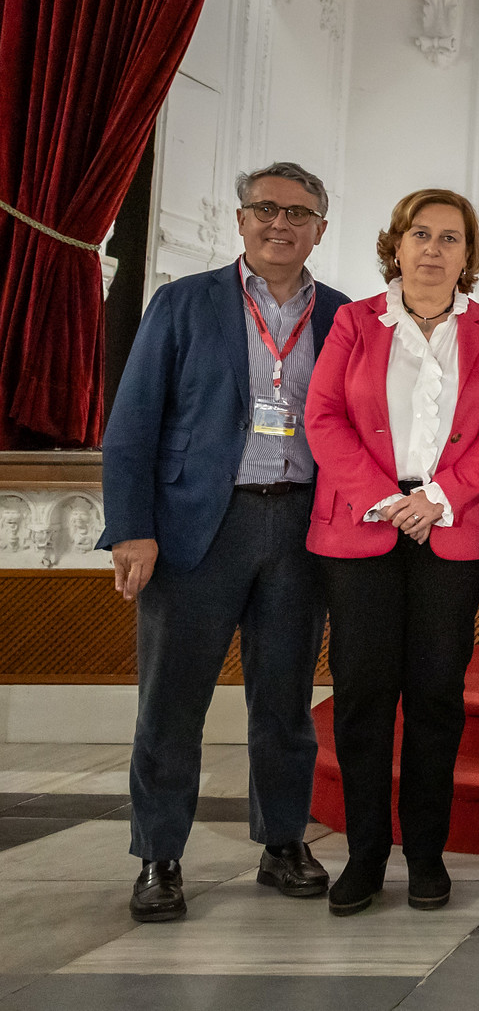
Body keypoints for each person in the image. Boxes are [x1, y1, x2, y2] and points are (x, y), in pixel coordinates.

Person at [100, 163, 349, 922]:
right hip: (195, 528)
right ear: (241, 220)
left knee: (285, 703)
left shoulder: (344, 316)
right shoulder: (183, 303)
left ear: (320, 230)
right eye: (266, 208)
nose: (281, 223)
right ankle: (159, 857)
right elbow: (132, 423)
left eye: (298, 213)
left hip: (301, 529)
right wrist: (133, 528)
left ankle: (283, 843)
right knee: (172, 703)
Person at [304, 189, 479, 916]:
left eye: (449, 238)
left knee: (436, 692)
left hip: (452, 527)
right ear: (396, 245)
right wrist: (384, 497)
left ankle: (427, 852)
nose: (433, 248)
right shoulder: (353, 321)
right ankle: (366, 855)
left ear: (468, 255)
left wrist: (440, 497)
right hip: (361, 521)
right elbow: (322, 416)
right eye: (420, 234)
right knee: (363, 693)